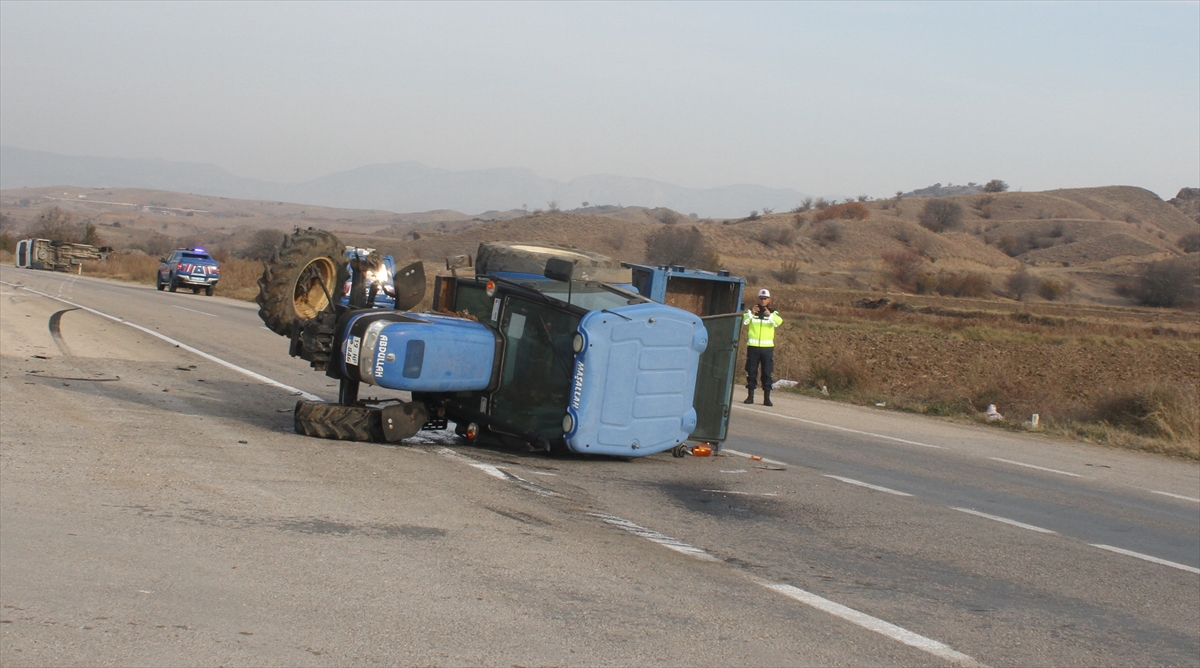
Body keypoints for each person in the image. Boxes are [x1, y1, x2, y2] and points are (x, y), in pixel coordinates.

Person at [743, 288, 783, 406]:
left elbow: (778, 322)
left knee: (767, 372)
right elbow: (745, 321)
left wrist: (769, 315)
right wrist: (751, 313)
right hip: (753, 347)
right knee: (751, 371)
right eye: (761, 298)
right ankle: (750, 396)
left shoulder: (773, 312)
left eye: (765, 299)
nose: (763, 300)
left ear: (769, 300)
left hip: (767, 348)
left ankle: (767, 398)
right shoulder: (751, 311)